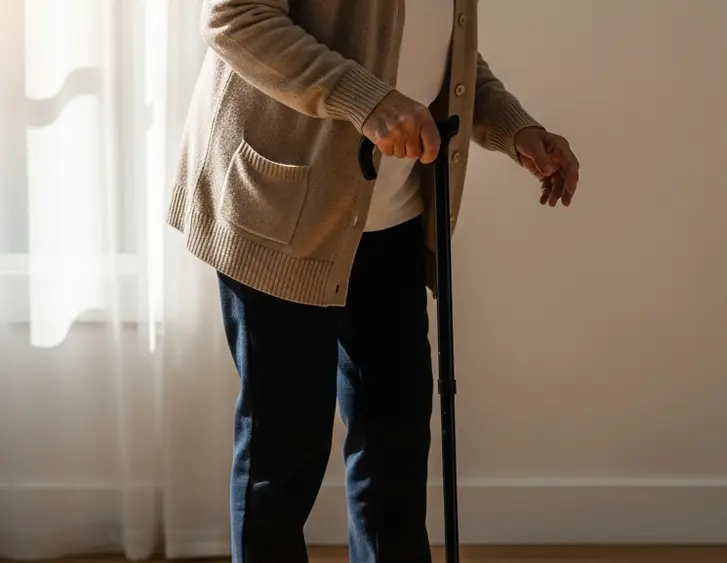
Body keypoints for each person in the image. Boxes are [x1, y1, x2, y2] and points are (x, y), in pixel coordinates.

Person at [167, 1, 580, 562]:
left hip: (391, 219)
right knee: (283, 455)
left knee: (395, 450)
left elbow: (438, 50)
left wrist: (515, 126)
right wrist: (371, 100)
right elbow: (234, 17)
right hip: (282, 215)